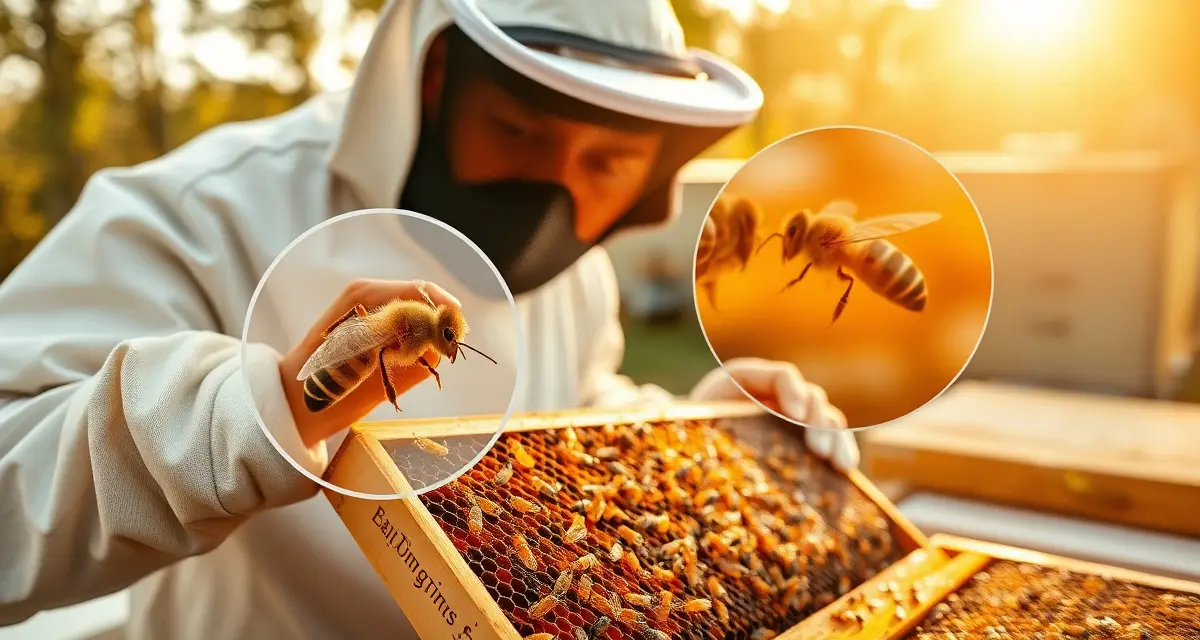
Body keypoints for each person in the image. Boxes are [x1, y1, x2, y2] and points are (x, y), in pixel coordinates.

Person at [0, 0, 858, 636]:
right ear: (432, 78)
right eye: (516, 130)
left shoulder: (582, 274)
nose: (552, 189)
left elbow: (571, 413)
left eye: (606, 162)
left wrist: (693, 436)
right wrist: (246, 417)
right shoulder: (201, 213)